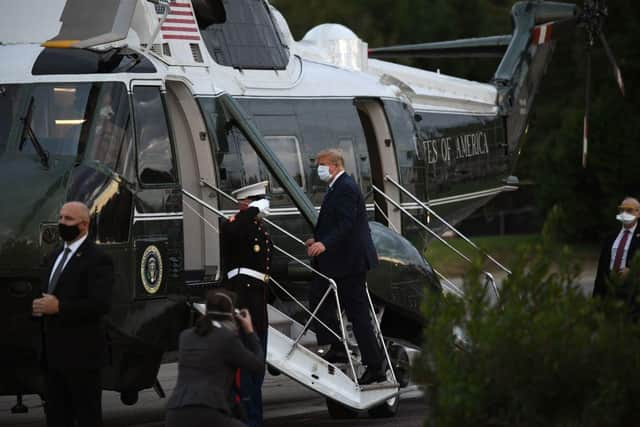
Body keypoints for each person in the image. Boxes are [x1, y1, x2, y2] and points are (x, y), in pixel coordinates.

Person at [305, 148, 385, 385]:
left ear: (335, 165)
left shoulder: (346, 187)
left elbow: (347, 223)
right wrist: (316, 240)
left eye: (321, 164)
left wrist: (324, 243)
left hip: (350, 263)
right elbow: (336, 222)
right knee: (320, 298)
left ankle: (375, 367)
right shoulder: (336, 187)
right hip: (339, 261)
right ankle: (337, 345)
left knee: (358, 315)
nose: (318, 169)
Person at [32, 201, 114, 427]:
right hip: (54, 356)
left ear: (84, 225)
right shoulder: (55, 256)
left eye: (68, 219)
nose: (62, 223)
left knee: (87, 415)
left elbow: (100, 304)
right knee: (57, 417)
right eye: (60, 218)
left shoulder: (98, 259)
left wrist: (60, 307)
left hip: (82, 356)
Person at [166, 290, 265, 427]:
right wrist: (250, 332)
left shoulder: (185, 336)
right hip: (207, 411)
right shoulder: (227, 339)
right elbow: (258, 366)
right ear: (231, 314)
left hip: (175, 413)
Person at [220, 181, 272, 427]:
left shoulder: (258, 228)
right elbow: (231, 232)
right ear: (246, 203)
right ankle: (247, 421)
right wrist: (249, 211)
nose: (265, 206)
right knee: (246, 372)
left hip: (258, 301)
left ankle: (254, 419)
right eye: (259, 202)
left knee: (257, 365)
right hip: (243, 298)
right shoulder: (236, 224)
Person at [593, 197, 640, 300]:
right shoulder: (610, 237)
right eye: (622, 209)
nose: (624, 213)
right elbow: (601, 268)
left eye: (629, 210)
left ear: (638, 213)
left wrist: (633, 273)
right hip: (608, 289)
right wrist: (596, 297)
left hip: (632, 293)